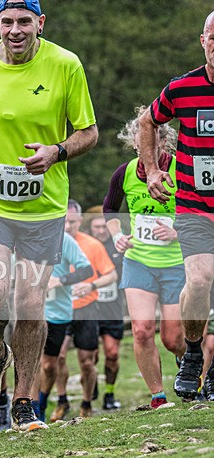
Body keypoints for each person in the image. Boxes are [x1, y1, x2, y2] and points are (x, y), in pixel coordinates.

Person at [0, 0, 97, 431]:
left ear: (40, 23)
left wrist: (57, 152)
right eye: (7, 22)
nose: (15, 30)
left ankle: (25, 401)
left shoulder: (66, 65)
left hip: (44, 207)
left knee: (29, 302)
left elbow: (90, 131)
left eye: (24, 21)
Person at [139, 12, 214, 402]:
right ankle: (194, 351)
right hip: (194, 203)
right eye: (213, 37)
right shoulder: (183, 88)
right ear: (202, 41)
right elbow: (148, 122)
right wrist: (151, 170)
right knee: (200, 280)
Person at [105, 108, 185, 408]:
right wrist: (117, 236)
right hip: (138, 261)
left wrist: (178, 230)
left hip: (176, 263)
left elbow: (201, 209)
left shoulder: (181, 170)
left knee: (173, 339)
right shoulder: (123, 173)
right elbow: (110, 210)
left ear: (163, 142)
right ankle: (158, 396)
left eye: (154, 141)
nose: (148, 147)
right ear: (136, 143)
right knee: (140, 330)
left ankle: (187, 364)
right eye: (141, 142)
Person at [50, 200, 117, 420]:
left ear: (80, 221)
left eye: (72, 221)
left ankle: (87, 403)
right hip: (60, 309)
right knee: (58, 356)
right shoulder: (51, 243)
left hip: (86, 307)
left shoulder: (92, 245)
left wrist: (91, 285)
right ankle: (62, 400)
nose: (68, 226)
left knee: (87, 362)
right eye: (64, 222)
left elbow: (111, 274)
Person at [31, 230, 92, 422]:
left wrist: (61, 280)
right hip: (30, 311)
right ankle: (31, 409)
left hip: (57, 312)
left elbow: (87, 270)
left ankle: (41, 401)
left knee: (49, 365)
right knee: (30, 361)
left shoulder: (63, 239)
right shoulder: (19, 234)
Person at [87, 207, 125, 410]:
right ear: (91, 228)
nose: (101, 231)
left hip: (112, 309)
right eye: (97, 227)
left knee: (112, 354)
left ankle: (109, 394)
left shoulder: (117, 247)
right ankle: (91, 388)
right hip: (90, 309)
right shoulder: (85, 246)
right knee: (91, 355)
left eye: (104, 227)